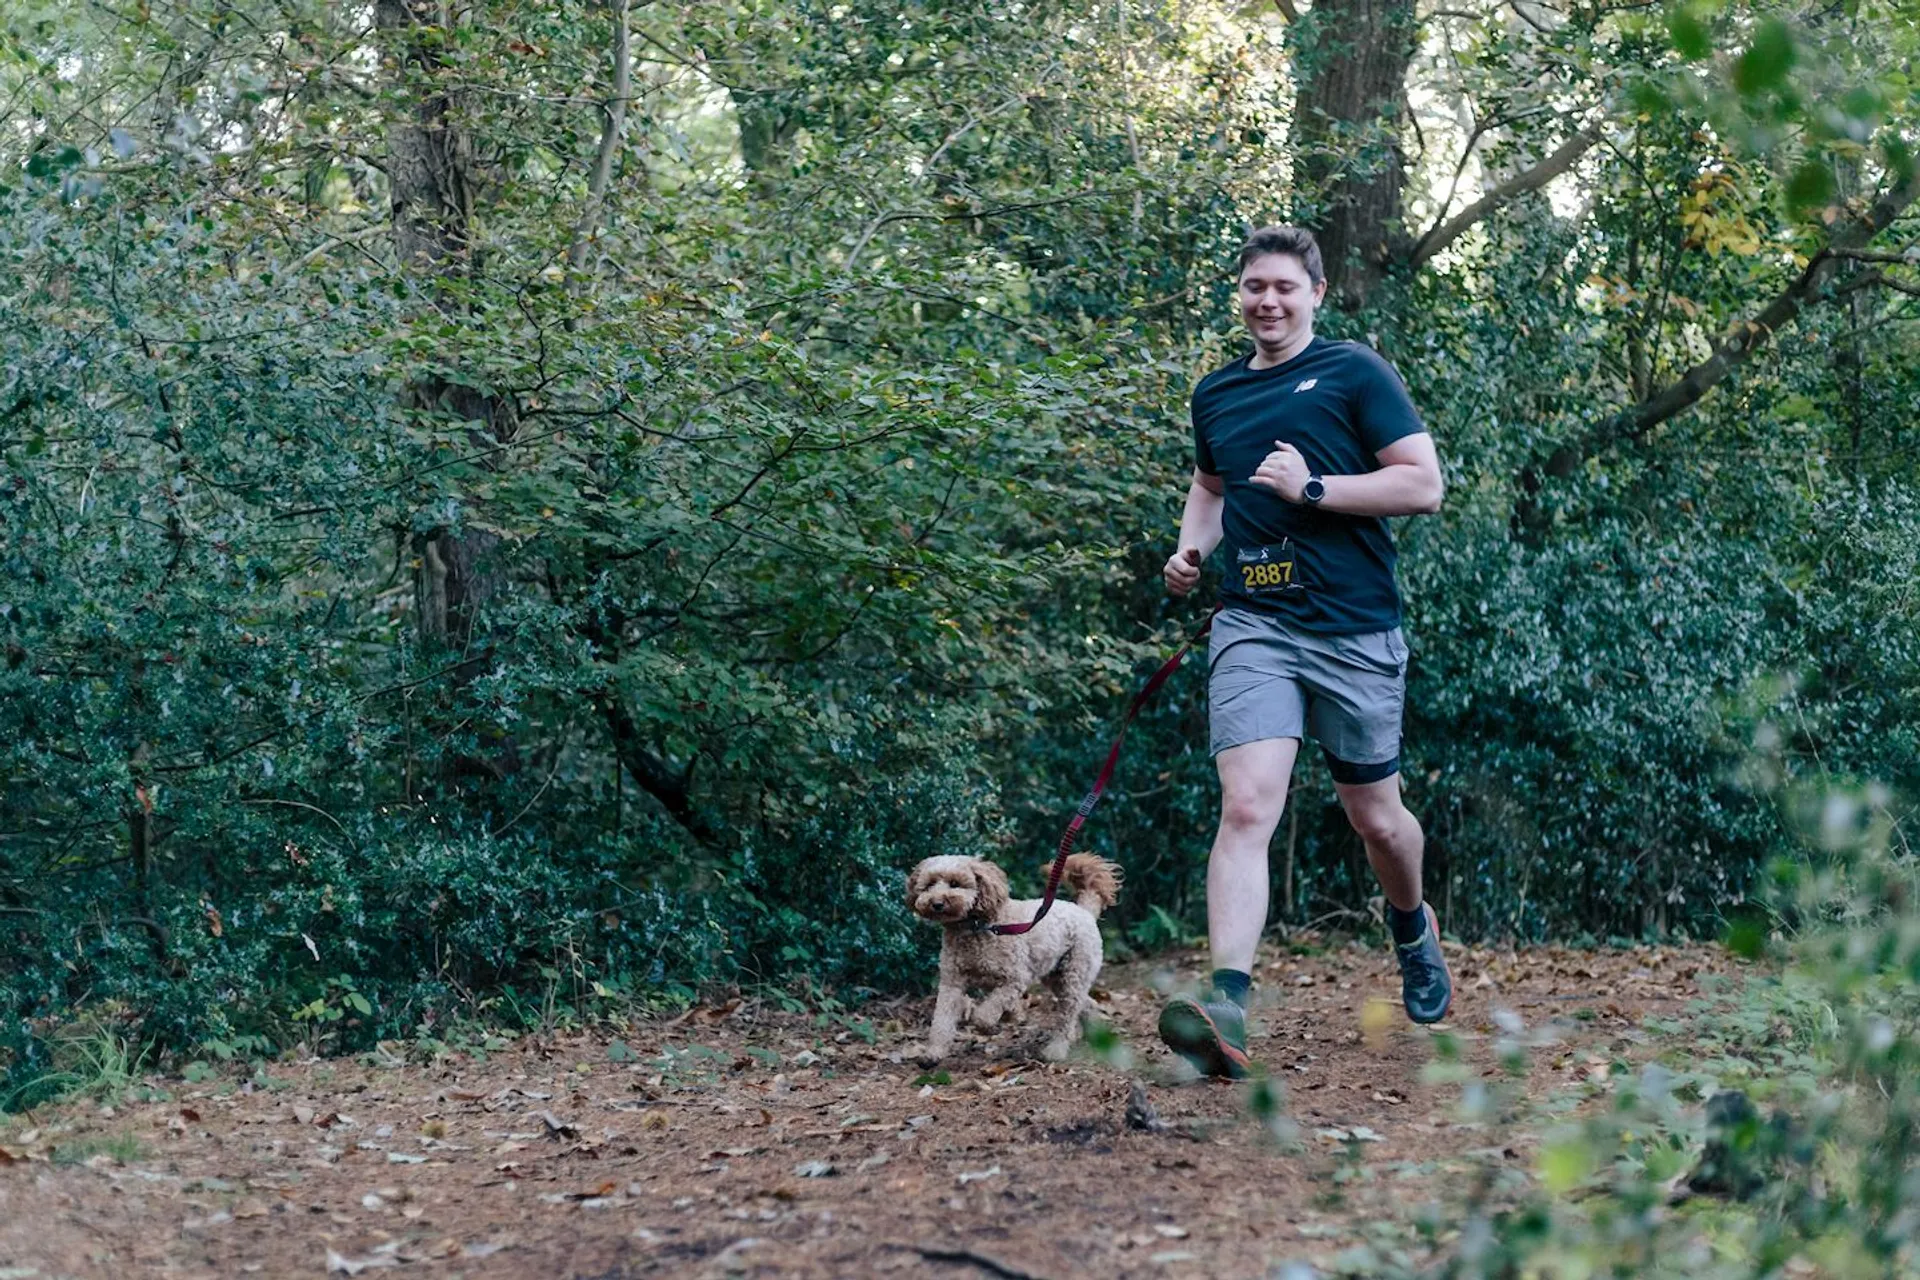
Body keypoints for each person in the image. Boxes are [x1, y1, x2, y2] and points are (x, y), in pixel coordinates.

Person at [1156, 225, 1451, 1079]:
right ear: (1240, 294)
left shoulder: (1355, 373)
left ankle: (1412, 926)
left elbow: (1422, 484)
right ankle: (1227, 1008)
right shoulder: (1217, 394)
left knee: (1377, 819)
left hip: (1354, 628)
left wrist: (1313, 487)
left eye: (1285, 286)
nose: (1268, 301)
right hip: (1255, 624)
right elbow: (1210, 487)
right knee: (1247, 806)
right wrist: (1191, 550)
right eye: (1255, 286)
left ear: (1316, 293)